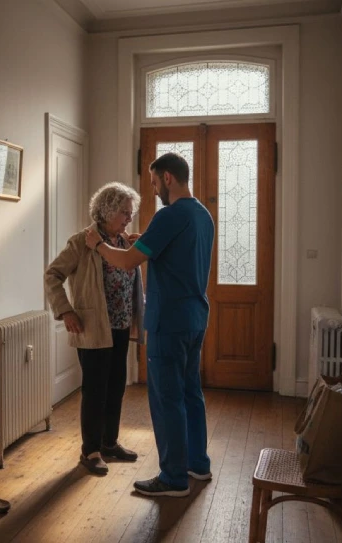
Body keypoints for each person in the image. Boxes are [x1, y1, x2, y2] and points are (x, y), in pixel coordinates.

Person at [84, 153, 214, 497]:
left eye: (155, 182)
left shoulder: (169, 215)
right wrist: (147, 240)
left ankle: (173, 478)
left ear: (168, 178)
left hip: (168, 322)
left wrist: (97, 244)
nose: (154, 189)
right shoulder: (203, 215)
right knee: (191, 393)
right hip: (196, 318)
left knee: (166, 399)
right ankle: (197, 465)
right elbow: (175, 253)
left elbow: (127, 262)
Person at [44, 182, 145, 475]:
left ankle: (109, 443)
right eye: (124, 212)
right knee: (95, 391)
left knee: (116, 387)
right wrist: (65, 310)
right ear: (107, 210)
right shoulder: (81, 241)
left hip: (121, 325)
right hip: (93, 327)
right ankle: (90, 451)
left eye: (131, 212)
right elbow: (52, 275)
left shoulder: (125, 242)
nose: (129, 218)